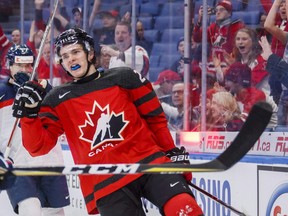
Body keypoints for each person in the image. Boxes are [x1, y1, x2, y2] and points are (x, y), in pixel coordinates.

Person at [12, 28, 204, 216]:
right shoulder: (56, 99)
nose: (70, 59)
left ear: (90, 53)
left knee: (185, 209)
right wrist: (29, 117)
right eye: (64, 56)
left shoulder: (124, 77)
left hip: (149, 163)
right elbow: (37, 147)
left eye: (76, 52)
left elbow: (155, 120)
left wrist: (170, 152)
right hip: (105, 181)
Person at [0, 44, 70, 215]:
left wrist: (41, 88)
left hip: (50, 162)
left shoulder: (44, 89)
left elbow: (62, 112)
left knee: (55, 212)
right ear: (8, 65)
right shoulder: (1, 92)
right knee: (29, 209)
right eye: (19, 65)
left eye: (28, 65)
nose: (25, 70)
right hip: (17, 165)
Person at [224, 62, 278, 129]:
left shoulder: (256, 95)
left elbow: (242, 123)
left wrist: (228, 119)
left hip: (271, 133)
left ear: (237, 81)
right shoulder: (236, 96)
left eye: (227, 80)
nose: (225, 83)